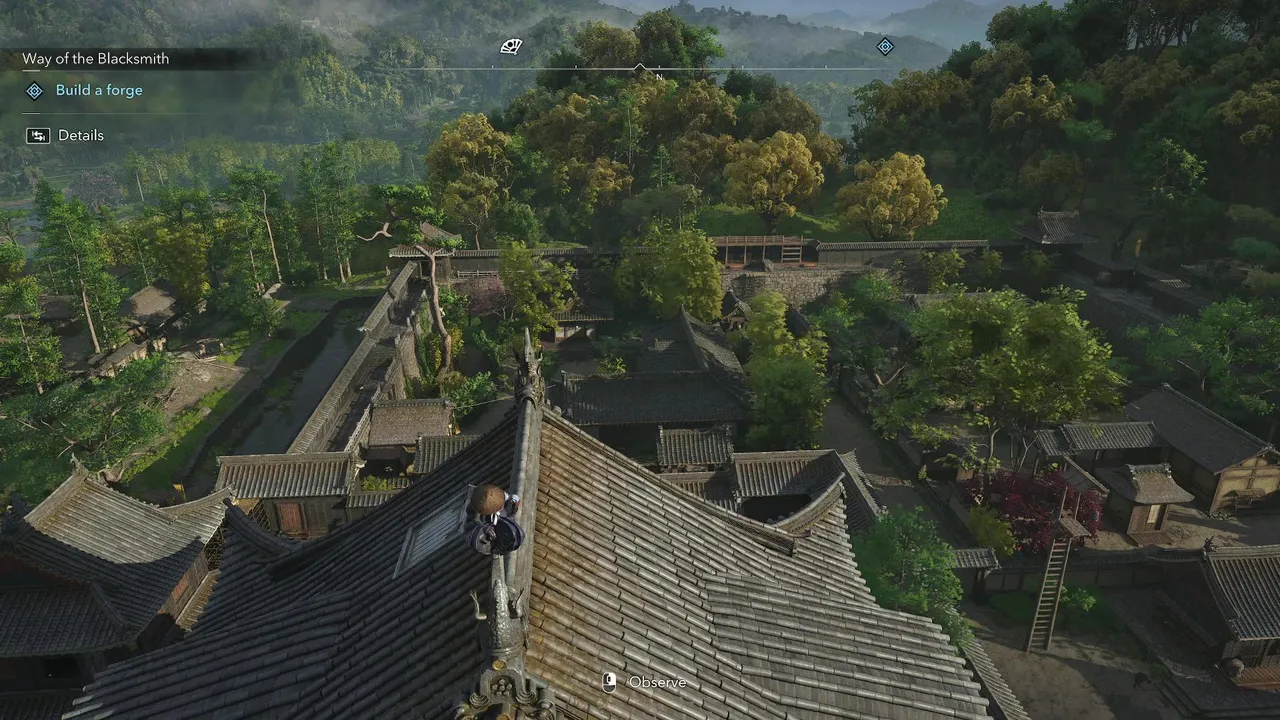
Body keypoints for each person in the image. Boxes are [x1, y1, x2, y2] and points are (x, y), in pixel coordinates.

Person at [467, 484, 523, 555]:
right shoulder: (502, 496)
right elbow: (516, 500)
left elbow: (515, 501)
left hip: (495, 516)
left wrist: (512, 513)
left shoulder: (503, 501)